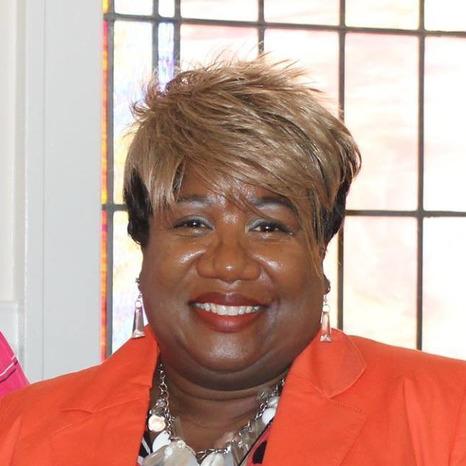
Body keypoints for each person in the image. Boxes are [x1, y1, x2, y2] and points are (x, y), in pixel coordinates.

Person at [0, 56, 465, 466]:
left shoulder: (449, 418)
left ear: (320, 251)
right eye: (193, 223)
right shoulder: (17, 433)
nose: (228, 264)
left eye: (269, 227)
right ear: (143, 244)